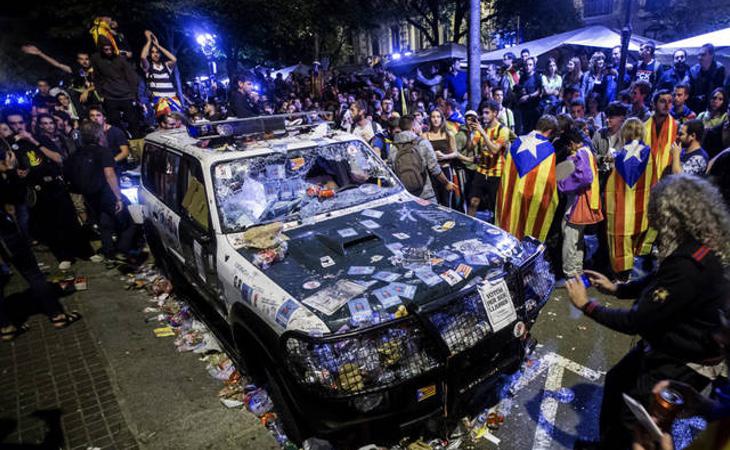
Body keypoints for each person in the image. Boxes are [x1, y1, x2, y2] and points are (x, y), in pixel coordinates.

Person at [566, 173, 730, 450]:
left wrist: (587, 305)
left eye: (655, 213)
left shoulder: (690, 264)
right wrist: (617, 288)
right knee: (618, 380)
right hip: (669, 340)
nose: (651, 221)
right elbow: (659, 279)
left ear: (672, 216)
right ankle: (608, 444)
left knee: (637, 416)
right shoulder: (698, 246)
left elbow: (635, 320)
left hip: (683, 357)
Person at [1, 154, 82, 341]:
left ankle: (6, 327)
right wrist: (13, 172)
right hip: (6, 232)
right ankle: (57, 315)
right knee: (32, 273)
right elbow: (15, 196)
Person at [5, 111, 93, 270]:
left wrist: (32, 140)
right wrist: (15, 171)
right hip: (36, 190)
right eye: (13, 123)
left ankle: (85, 251)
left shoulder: (40, 138)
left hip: (54, 185)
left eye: (20, 122)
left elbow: (58, 158)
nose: (17, 126)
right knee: (49, 226)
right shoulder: (9, 145)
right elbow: (8, 166)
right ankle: (64, 256)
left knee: (70, 220)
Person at [69, 121, 136, 262]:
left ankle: (108, 251)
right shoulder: (102, 151)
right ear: (98, 135)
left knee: (104, 222)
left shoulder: (77, 153)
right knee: (128, 222)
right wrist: (118, 197)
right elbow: (109, 174)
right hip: (107, 193)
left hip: (91, 196)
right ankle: (123, 251)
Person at [604, 118, 655, 277]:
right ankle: (637, 273)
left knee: (620, 240)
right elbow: (654, 181)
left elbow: (612, 187)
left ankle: (623, 275)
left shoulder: (619, 156)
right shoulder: (649, 154)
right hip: (642, 209)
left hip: (621, 210)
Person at [495, 114, 560, 241]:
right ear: (549, 131)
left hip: (511, 194)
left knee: (509, 229)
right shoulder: (548, 149)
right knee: (526, 234)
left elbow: (507, 172)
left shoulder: (517, 141)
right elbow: (547, 181)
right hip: (530, 200)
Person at [557, 127, 603, 280]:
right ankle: (577, 270)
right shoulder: (587, 151)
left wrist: (563, 184)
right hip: (585, 200)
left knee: (570, 236)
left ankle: (570, 273)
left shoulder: (582, 153)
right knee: (577, 237)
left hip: (579, 201)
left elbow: (584, 178)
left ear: (571, 144)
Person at [389, 115, 456, 202]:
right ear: (413, 127)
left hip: (405, 195)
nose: (420, 126)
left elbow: (392, 171)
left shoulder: (394, 147)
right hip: (425, 193)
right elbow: (434, 168)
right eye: (418, 124)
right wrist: (446, 183)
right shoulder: (422, 143)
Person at [466, 102, 511, 218]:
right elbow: (470, 147)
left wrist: (482, 133)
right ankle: (468, 228)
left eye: (487, 113)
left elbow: (495, 150)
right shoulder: (482, 129)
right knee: (473, 202)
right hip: (481, 171)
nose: (484, 115)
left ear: (495, 113)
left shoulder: (503, 130)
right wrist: (470, 131)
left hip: (496, 173)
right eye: (483, 113)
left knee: (495, 206)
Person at [91, 38, 143, 137]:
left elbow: (131, 76)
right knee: (114, 121)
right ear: (101, 49)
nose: (109, 52)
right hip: (110, 95)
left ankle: (136, 143)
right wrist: (101, 93)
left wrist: (133, 93)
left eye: (110, 49)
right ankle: (121, 142)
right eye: (106, 49)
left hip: (125, 94)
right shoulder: (96, 59)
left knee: (133, 121)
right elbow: (97, 77)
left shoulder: (119, 59)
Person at [140, 30, 181, 118]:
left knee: (178, 122)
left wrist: (158, 46)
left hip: (173, 99)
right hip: (160, 101)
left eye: (157, 52)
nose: (155, 54)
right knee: (167, 123)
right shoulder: (148, 67)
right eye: (153, 52)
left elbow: (174, 59)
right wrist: (149, 41)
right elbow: (143, 57)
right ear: (150, 55)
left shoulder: (166, 65)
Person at [423, 109, 459, 208]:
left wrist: (444, 156)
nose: (436, 119)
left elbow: (455, 153)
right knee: (434, 202)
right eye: (433, 117)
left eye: (438, 117)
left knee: (446, 202)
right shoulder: (425, 135)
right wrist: (432, 154)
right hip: (432, 172)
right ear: (430, 119)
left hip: (446, 170)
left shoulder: (449, 134)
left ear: (442, 119)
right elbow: (423, 154)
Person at [645, 89, 679, 185]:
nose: (667, 105)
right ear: (654, 104)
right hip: (645, 175)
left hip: (667, 178)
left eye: (670, 102)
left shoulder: (676, 127)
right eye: (662, 101)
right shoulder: (644, 126)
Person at [592, 102, 627, 188]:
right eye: (606, 117)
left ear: (621, 118)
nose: (607, 120)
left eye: (611, 118)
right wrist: (602, 158)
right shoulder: (599, 133)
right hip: (601, 178)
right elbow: (592, 155)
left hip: (620, 180)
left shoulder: (627, 135)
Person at [688, 43, 726, 113]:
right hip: (696, 107)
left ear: (711, 55)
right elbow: (689, 90)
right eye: (698, 55)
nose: (699, 58)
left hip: (714, 107)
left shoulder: (719, 69)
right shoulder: (693, 70)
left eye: (703, 55)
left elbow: (720, 90)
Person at [515, 57, 542, 134]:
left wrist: (528, 96)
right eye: (526, 65)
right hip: (524, 107)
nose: (528, 67)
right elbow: (520, 87)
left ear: (533, 66)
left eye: (530, 65)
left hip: (534, 106)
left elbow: (539, 91)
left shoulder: (537, 77)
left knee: (534, 129)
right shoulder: (523, 77)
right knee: (525, 128)